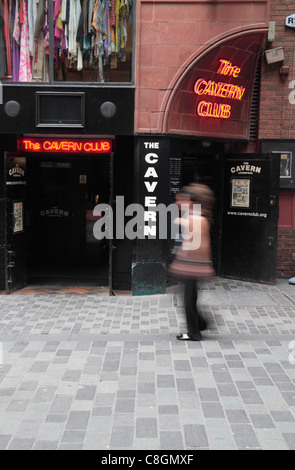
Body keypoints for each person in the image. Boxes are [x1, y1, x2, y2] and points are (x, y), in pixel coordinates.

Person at [169, 183, 215, 341]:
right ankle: (200, 324)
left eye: (180, 199)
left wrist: (184, 262)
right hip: (192, 266)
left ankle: (194, 332)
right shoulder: (191, 216)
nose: (177, 203)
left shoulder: (196, 219)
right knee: (190, 299)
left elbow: (200, 245)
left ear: (190, 200)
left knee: (188, 300)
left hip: (192, 267)